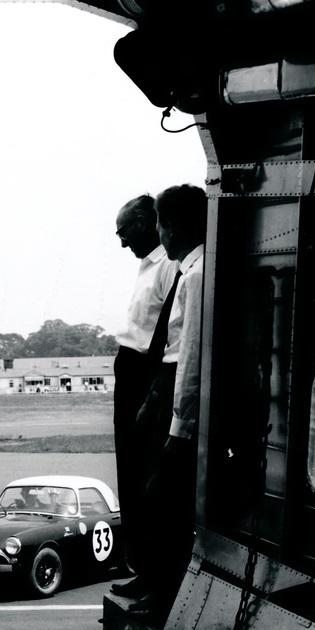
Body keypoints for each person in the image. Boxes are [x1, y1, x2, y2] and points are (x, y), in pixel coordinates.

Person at [129, 184, 208, 619]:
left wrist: (179, 426)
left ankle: (163, 597)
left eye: (160, 223)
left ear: (172, 227)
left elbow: (190, 355)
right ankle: (156, 586)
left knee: (166, 501)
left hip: (179, 398)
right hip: (167, 387)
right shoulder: (190, 270)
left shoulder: (195, 276)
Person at [109, 194, 179, 599]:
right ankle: (143, 567)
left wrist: (152, 392)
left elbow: (168, 335)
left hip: (146, 374)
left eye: (125, 232)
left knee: (144, 474)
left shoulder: (168, 267)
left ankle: (153, 573)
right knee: (130, 474)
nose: (122, 243)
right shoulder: (147, 266)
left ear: (150, 223)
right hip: (131, 368)